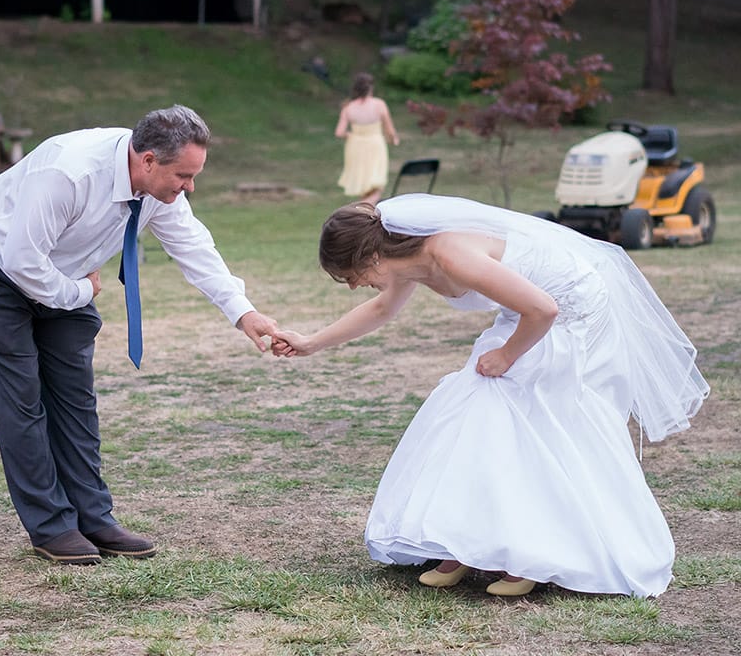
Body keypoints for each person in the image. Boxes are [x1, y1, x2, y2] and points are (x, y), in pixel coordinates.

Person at [271, 194, 709, 597]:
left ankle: (531, 553)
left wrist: (507, 355)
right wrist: (311, 342)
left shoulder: (448, 252)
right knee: (471, 407)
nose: (353, 286)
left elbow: (545, 308)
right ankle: (465, 542)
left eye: (352, 276)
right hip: (525, 315)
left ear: (372, 257)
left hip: (570, 314)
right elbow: (382, 308)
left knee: (530, 416)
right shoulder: (409, 262)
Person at [0, 105, 278, 566]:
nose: (189, 187)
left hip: (66, 271)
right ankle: (51, 526)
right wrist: (81, 292)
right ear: (148, 160)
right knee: (21, 398)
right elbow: (23, 262)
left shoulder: (157, 190)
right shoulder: (69, 173)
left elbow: (193, 247)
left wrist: (243, 313)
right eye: (184, 176)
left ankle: (93, 517)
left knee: (74, 396)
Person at [335, 72, 400, 205]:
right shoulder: (379, 104)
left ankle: (363, 212)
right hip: (375, 145)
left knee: (364, 185)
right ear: (371, 87)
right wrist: (393, 139)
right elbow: (390, 130)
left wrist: (351, 135)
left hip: (355, 146)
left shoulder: (348, 107)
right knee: (377, 186)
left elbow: (339, 132)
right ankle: (360, 210)